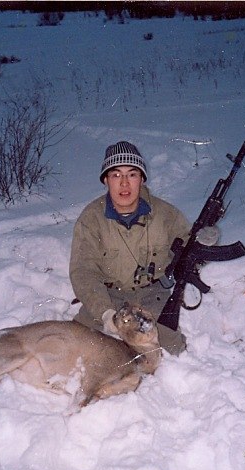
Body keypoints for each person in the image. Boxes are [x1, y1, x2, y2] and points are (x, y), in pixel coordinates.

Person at [69, 140, 217, 355]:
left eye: (132, 174)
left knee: (171, 352)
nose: (124, 184)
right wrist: (105, 313)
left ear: (142, 179)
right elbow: (83, 273)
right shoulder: (90, 220)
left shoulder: (166, 214)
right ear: (106, 180)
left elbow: (189, 254)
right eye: (116, 175)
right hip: (109, 297)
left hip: (153, 296)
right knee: (77, 346)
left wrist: (204, 243)